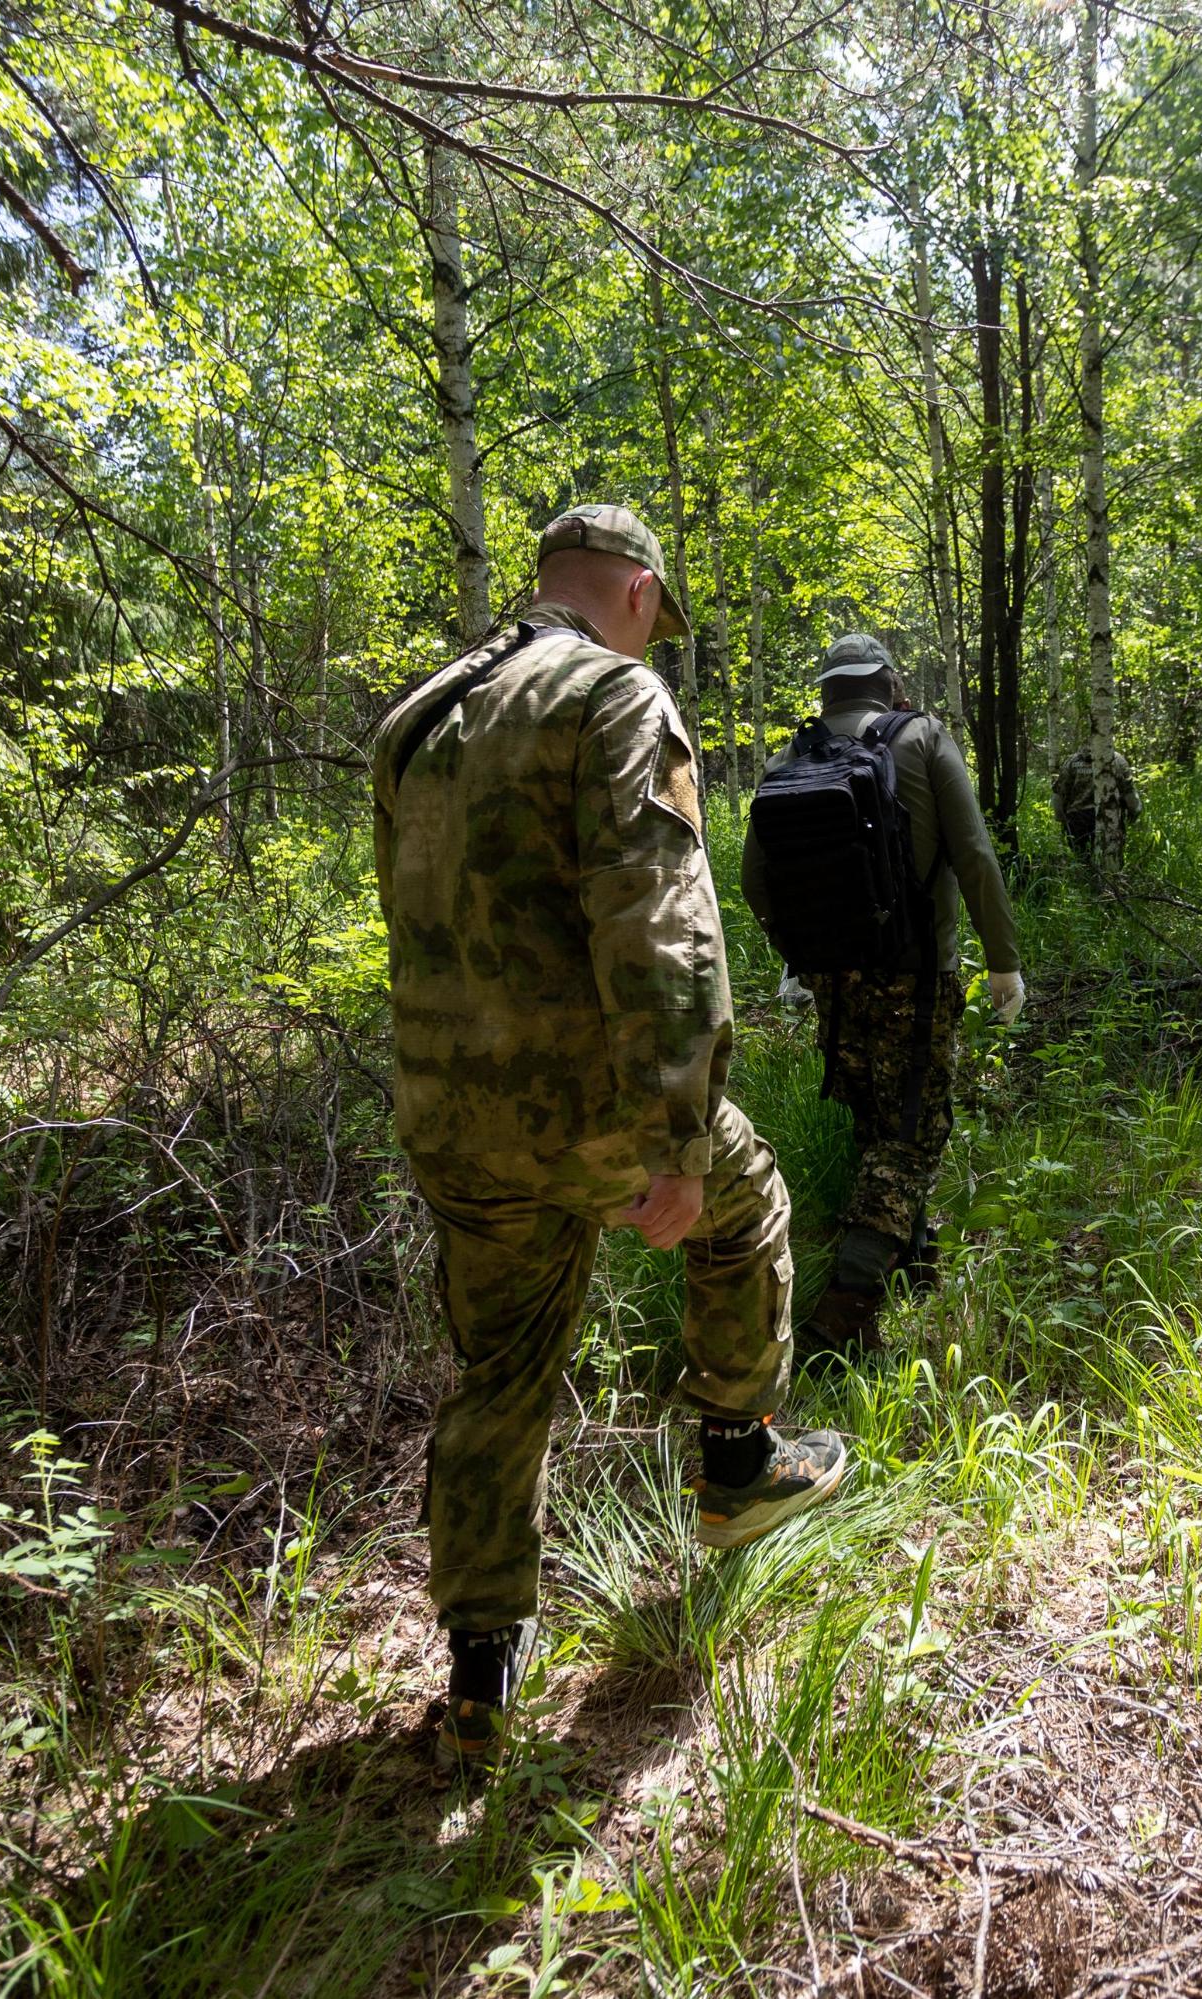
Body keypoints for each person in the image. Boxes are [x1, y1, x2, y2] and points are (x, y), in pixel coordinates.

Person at [371, 503, 851, 1769]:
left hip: (450, 1122)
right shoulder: (612, 698)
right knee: (747, 1203)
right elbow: (664, 932)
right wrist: (677, 1136)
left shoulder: (418, 718)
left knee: (502, 1372)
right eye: (662, 620)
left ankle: (479, 1678)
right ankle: (740, 1459)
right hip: (582, 1113)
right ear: (636, 593)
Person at [740, 634, 1025, 1354]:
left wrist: (798, 959)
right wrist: (1004, 963)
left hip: (834, 979)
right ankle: (840, 1317)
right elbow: (976, 856)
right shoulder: (923, 737)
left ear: (828, 691)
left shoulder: (789, 760)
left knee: (880, 1121)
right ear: (888, 683)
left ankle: (913, 1261)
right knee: (908, 1138)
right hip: (916, 976)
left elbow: (753, 879)